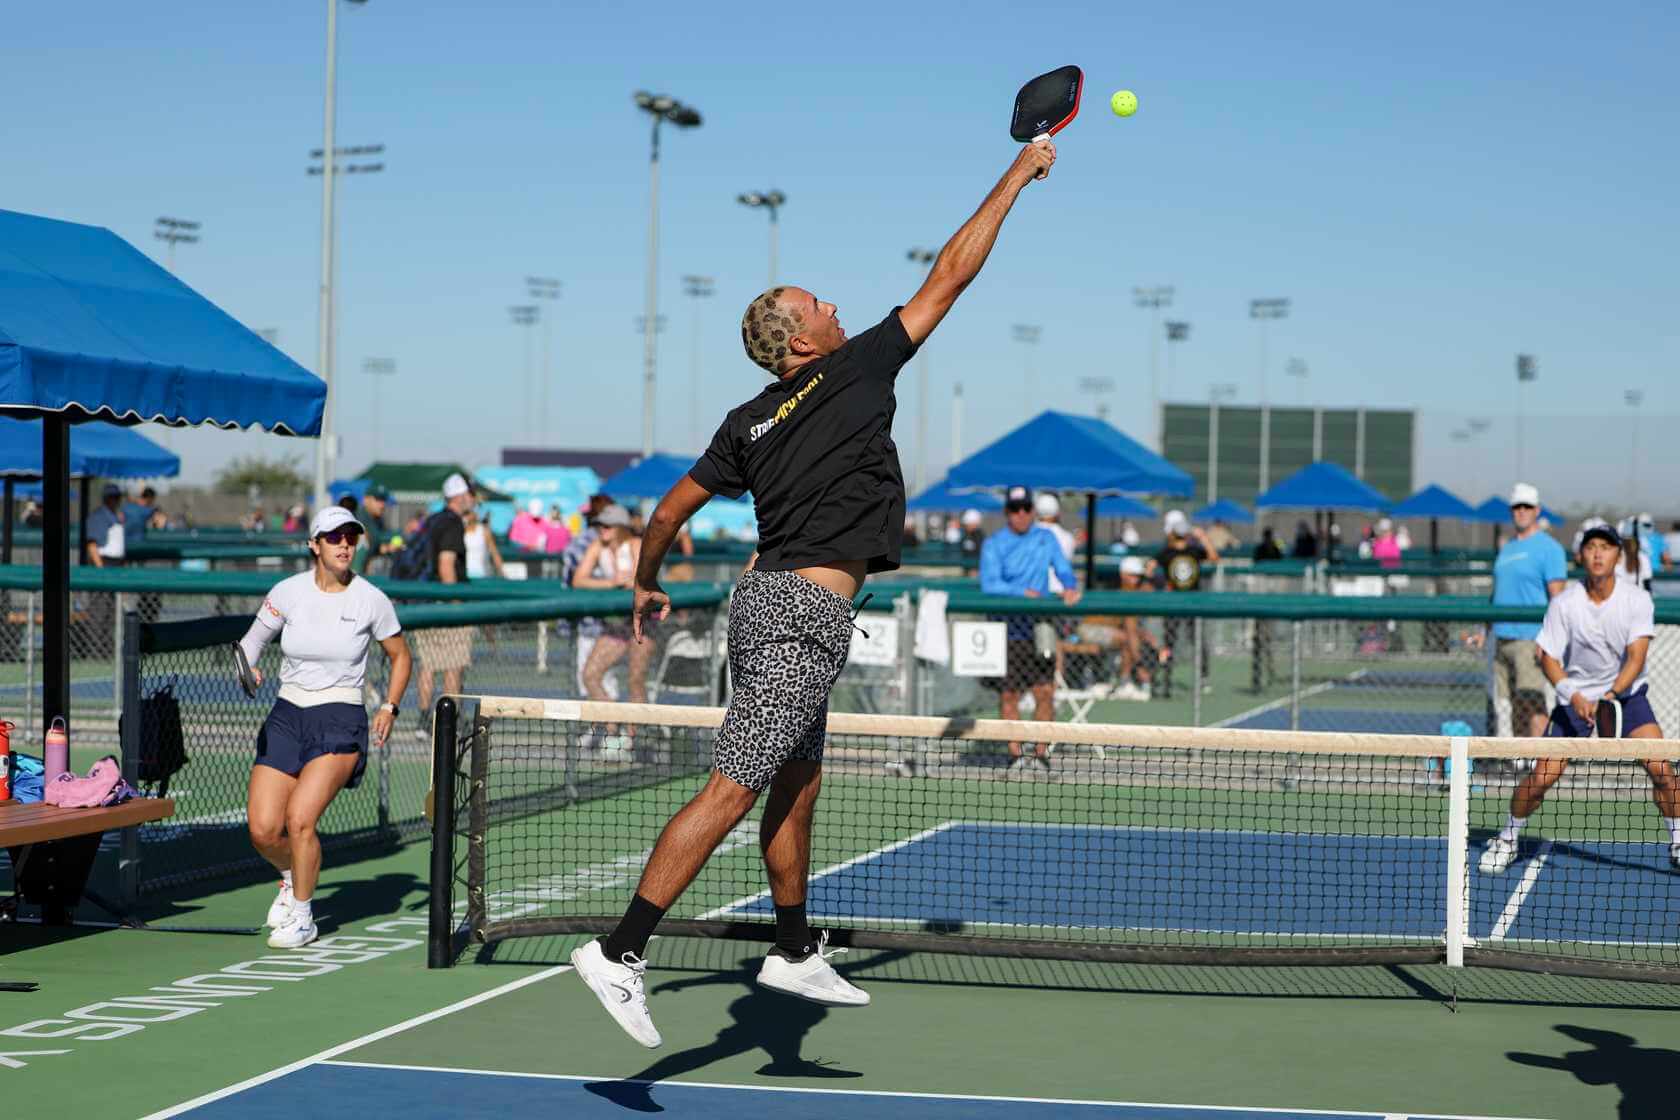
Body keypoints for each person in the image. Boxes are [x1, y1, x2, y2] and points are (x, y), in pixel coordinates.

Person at [568, 137, 1061, 1049]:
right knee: (734, 787)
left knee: (797, 785)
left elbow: (667, 512)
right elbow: (952, 274)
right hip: (796, 614)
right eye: (821, 304)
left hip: (777, 608)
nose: (837, 305)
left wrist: (645, 581)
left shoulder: (746, 420)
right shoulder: (855, 366)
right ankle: (620, 947)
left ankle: (793, 949)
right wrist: (1017, 177)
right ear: (803, 342)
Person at [235, 506, 411, 947]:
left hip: (341, 718)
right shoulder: (288, 591)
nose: (344, 544)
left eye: (351, 536)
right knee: (262, 829)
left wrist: (389, 707)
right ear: (314, 545)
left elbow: (400, 656)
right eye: (334, 537)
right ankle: (291, 876)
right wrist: (248, 669)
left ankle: (303, 917)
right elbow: (251, 643)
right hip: (287, 715)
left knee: (300, 820)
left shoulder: (371, 599)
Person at [1479, 522, 1680, 874]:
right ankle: (1507, 838)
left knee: (1662, 770)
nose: (1598, 553)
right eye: (1591, 547)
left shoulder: (1637, 600)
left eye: (1606, 546)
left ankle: (1678, 839)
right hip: (1575, 701)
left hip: (1627, 699)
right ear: (1580, 556)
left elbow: (1636, 658)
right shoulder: (1565, 603)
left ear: (1618, 555)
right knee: (1541, 778)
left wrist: (1610, 697)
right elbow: (1547, 657)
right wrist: (1573, 695)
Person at [980, 486, 1082, 773]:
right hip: (1007, 632)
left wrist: (1070, 587)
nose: (1021, 514)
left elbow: (1063, 569)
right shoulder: (994, 544)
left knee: (1045, 692)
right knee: (1009, 694)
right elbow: (990, 583)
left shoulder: (1046, 538)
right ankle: (1015, 756)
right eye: (1015, 509)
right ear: (1007, 512)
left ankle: (1040, 755)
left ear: (1033, 511)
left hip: (1040, 629)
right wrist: (1021, 593)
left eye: (1026, 508)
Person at [573, 503, 654, 755]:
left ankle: (633, 737)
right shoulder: (597, 547)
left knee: (636, 680)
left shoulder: (636, 544)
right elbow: (578, 579)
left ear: (620, 527)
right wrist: (611, 582)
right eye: (600, 525)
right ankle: (613, 727)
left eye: (607, 526)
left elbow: (643, 578)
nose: (602, 530)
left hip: (643, 625)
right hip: (617, 626)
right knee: (590, 674)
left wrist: (629, 580)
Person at [1490, 483, 1568, 740]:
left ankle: (1539, 758)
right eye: (1516, 507)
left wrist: (1550, 639)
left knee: (1533, 704)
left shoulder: (1549, 548)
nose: (1521, 511)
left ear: (1537, 510)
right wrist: (1484, 629)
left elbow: (1558, 599)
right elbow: (1497, 592)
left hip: (1530, 638)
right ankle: (1520, 757)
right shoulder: (1507, 548)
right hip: (1502, 638)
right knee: (1512, 705)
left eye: (1526, 506)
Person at [412, 474, 475, 737]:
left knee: (429, 665)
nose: (473, 499)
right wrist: (457, 606)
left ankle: (423, 721)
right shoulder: (453, 523)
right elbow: (446, 565)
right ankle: (451, 721)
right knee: (453, 665)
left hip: (426, 602)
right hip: (445, 606)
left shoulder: (433, 519)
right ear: (461, 496)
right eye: (470, 493)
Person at [1148, 509, 1218, 698]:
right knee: (1171, 641)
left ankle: (1201, 676)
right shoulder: (1167, 552)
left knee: (1194, 639)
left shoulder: (1193, 550)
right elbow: (1150, 569)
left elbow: (1214, 558)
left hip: (1191, 602)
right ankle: (1168, 677)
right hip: (1175, 603)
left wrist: (1202, 537)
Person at [1033, 492, 1076, 593]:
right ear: (1057, 512)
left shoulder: (1028, 535)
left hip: (1034, 591)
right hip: (1061, 590)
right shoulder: (1067, 537)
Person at [85, 483, 128, 569]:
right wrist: (100, 569)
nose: (117, 500)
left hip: (118, 562)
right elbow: (92, 545)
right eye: (114, 497)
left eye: (118, 497)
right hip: (104, 561)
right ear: (107, 498)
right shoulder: (98, 516)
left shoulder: (115, 515)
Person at [462, 505, 506, 580]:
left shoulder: (484, 531)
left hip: (483, 575)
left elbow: (494, 553)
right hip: (464, 576)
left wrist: (502, 572)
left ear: (475, 514)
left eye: (467, 513)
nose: (465, 517)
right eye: (464, 514)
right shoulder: (458, 531)